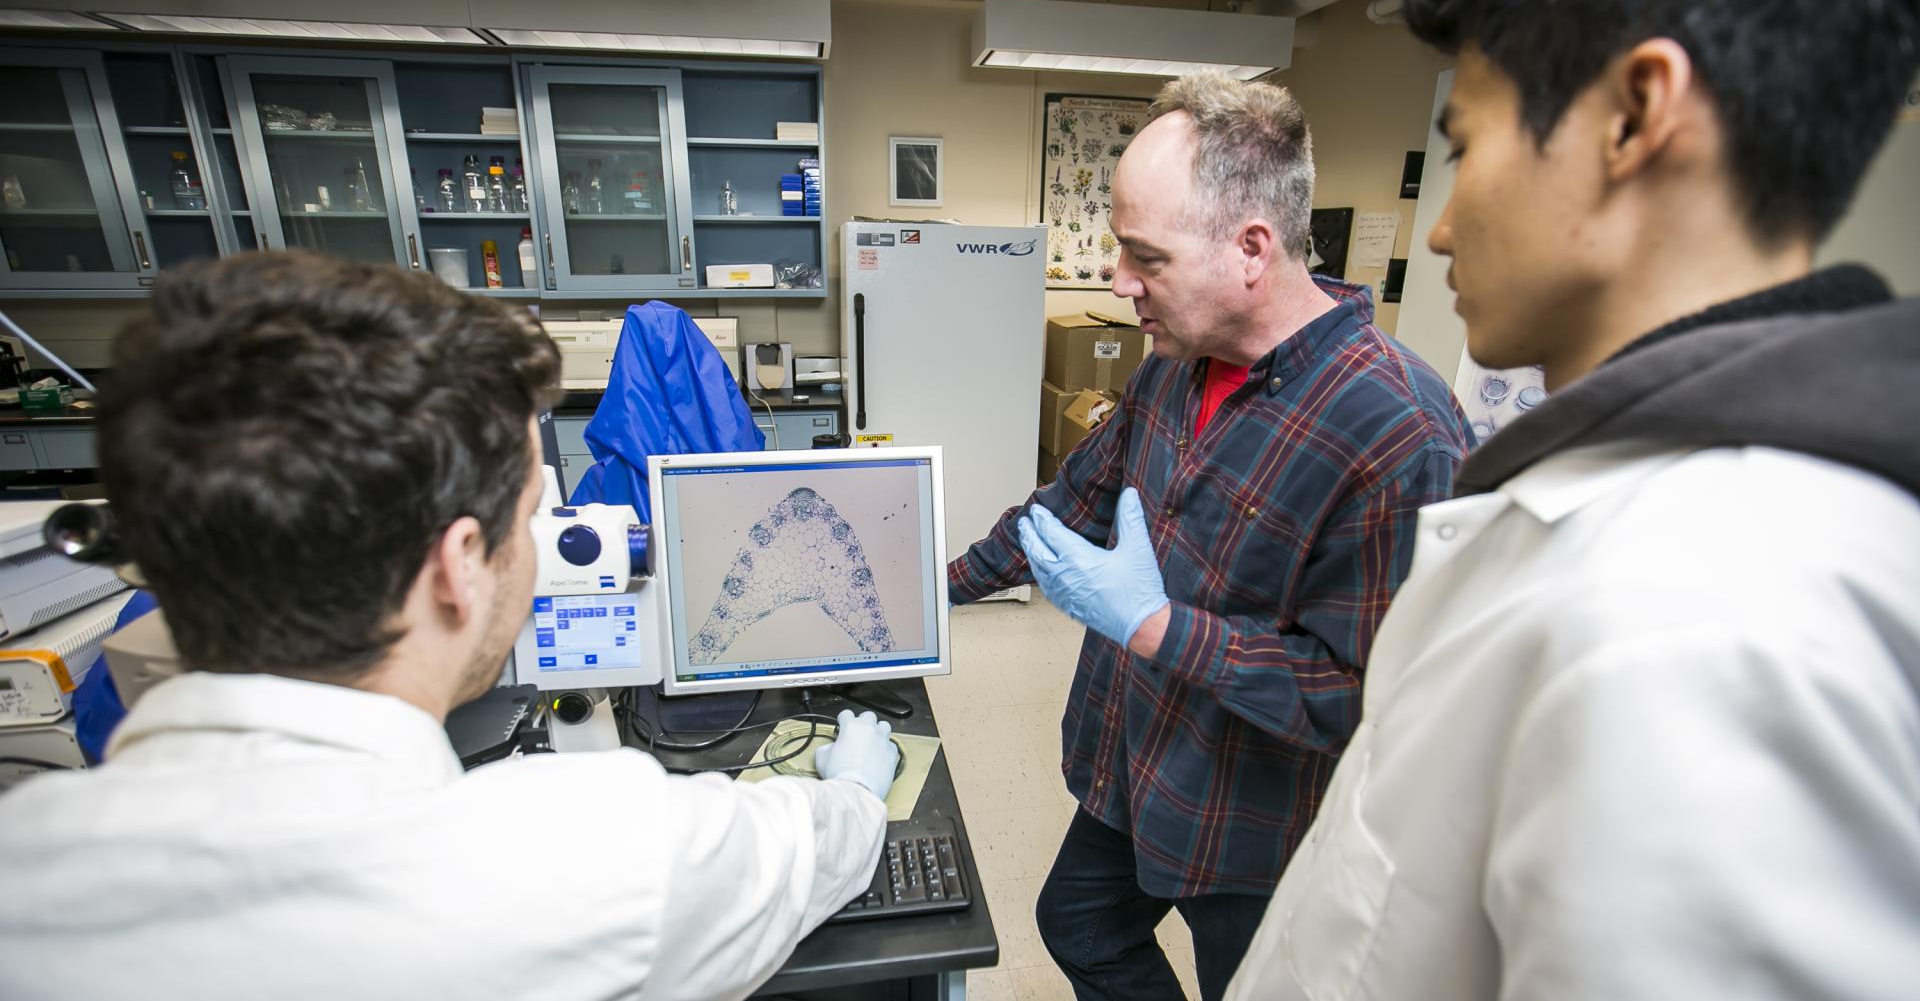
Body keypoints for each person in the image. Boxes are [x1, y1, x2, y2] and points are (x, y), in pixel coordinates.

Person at [1227, 0, 1920, 998]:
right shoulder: (1629, 513)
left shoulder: (1705, 626)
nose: (1445, 229)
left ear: (1635, 117)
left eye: (1465, 145)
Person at [0, 252, 901, 1001]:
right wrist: (856, 788)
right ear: (457, 566)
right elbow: (818, 845)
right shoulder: (595, 855)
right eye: (530, 513)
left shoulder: (25, 872)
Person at [949, 73, 1472, 1000]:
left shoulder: (1398, 434)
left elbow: (1370, 699)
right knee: (1076, 925)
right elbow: (1065, 506)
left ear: (1251, 249)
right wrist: (924, 593)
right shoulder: (1173, 371)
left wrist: (1158, 628)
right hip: (1140, 765)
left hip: (1257, 824)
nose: (1120, 284)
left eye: (1144, 257)